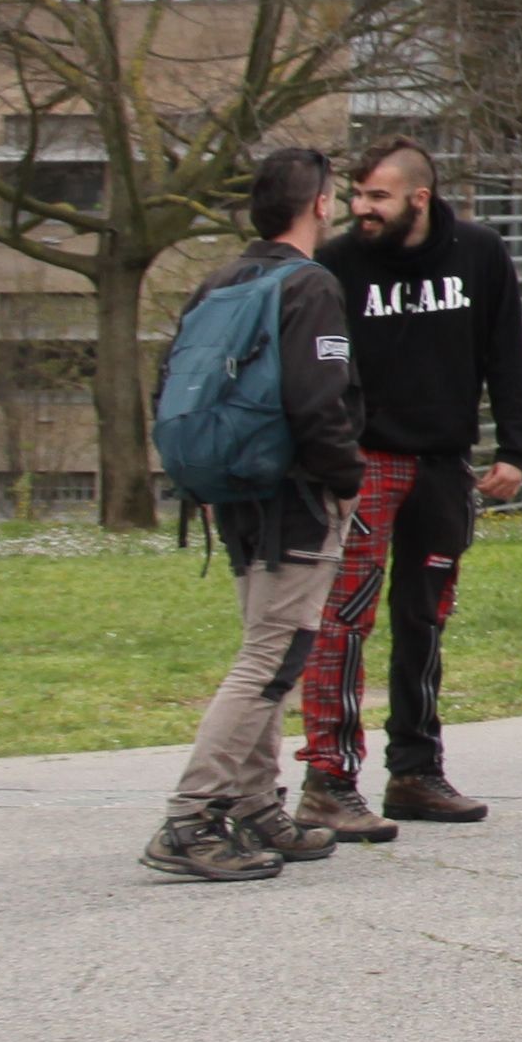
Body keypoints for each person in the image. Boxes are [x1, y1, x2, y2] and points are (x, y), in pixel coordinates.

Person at [297, 138, 522, 836]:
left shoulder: (480, 253)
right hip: (366, 460)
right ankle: (329, 779)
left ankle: (416, 770)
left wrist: (517, 449)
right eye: (356, 196)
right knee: (345, 620)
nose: (360, 209)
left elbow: (507, 350)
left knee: (425, 616)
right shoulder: (337, 265)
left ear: (419, 198)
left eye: (377, 197)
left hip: (442, 462)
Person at [141, 147, 368, 882]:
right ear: (322, 205)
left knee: (265, 649)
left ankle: (254, 804)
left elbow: (172, 382)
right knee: (272, 659)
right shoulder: (310, 286)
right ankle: (190, 817)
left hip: (234, 489)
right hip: (297, 494)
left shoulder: (219, 281)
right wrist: (347, 480)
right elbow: (317, 401)